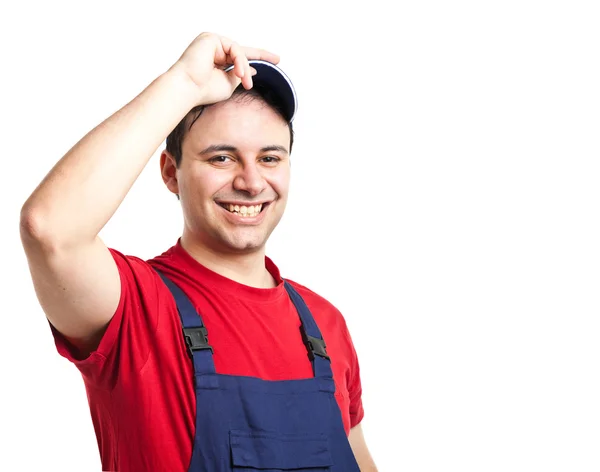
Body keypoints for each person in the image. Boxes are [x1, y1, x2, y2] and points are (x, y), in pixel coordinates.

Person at [20, 32, 377, 472]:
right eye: (222, 158)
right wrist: (183, 84)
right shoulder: (135, 309)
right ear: (171, 173)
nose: (250, 181)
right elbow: (50, 229)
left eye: (269, 158)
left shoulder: (326, 324)